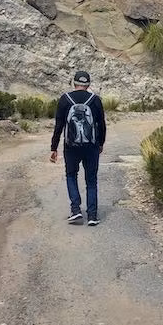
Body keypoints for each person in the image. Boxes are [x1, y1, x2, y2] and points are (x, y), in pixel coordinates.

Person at [50, 71, 106, 226]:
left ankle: (76, 210)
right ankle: (92, 215)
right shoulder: (95, 100)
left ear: (73, 83)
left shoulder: (65, 99)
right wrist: (101, 143)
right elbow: (101, 124)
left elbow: (59, 126)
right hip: (91, 146)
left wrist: (54, 147)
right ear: (88, 84)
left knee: (71, 175)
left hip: (71, 146)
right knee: (91, 180)